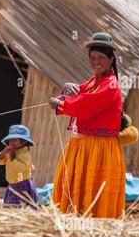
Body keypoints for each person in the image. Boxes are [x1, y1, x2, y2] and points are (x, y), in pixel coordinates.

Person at [48, 32, 125, 218]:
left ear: (111, 59)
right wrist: (66, 88)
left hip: (97, 148)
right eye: (93, 58)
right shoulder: (94, 82)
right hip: (81, 145)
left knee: (92, 189)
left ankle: (92, 228)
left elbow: (86, 105)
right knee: (74, 186)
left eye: (101, 58)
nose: (96, 62)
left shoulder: (110, 85)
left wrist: (62, 104)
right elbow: (77, 92)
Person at [0, 124, 38, 208]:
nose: (11, 143)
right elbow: (0, 162)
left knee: (20, 208)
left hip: (23, 185)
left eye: (15, 140)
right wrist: (3, 153)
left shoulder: (25, 155)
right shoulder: (11, 151)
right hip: (12, 185)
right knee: (10, 208)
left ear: (24, 142)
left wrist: (12, 156)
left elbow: (20, 169)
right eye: (10, 140)